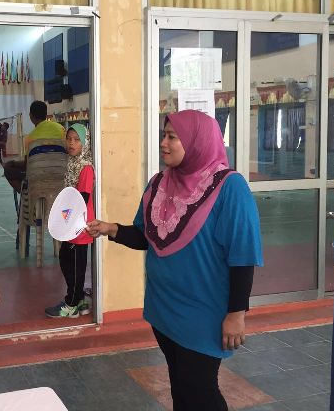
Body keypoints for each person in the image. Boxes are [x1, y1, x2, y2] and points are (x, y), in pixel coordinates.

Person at [87, 110, 263, 411]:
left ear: (196, 142)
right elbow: (146, 237)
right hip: (164, 308)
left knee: (201, 392)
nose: (163, 143)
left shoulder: (229, 187)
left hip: (203, 314)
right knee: (180, 388)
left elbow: (243, 255)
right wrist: (110, 229)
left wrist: (236, 314)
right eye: (163, 136)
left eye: (172, 137)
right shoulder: (159, 184)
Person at [45, 124, 94, 318]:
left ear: (85, 143)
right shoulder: (72, 164)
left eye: (76, 140)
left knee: (74, 266)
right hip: (70, 224)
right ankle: (80, 299)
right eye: (69, 139)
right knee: (67, 260)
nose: (72, 143)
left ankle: (71, 304)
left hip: (78, 227)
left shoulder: (86, 168)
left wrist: (69, 221)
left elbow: (82, 198)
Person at [3, 100, 65, 193]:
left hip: (37, 176)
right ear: (46, 114)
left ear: (31, 116)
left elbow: (27, 164)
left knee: (8, 169)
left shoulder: (30, 138)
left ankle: (26, 193)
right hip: (60, 173)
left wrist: (13, 163)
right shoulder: (61, 128)